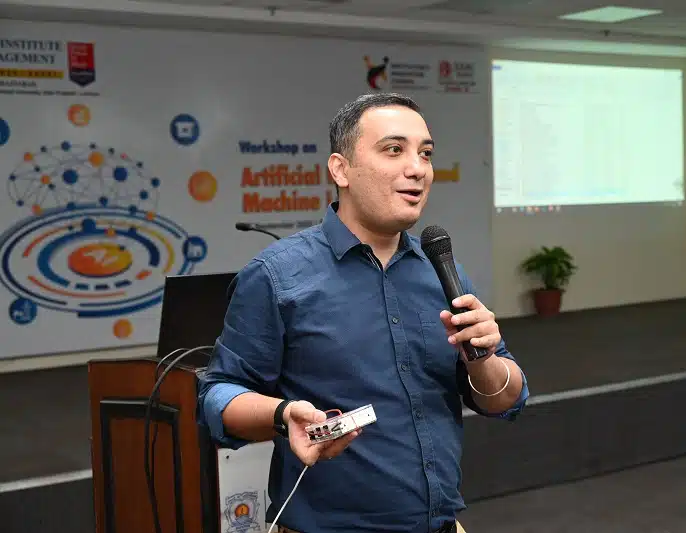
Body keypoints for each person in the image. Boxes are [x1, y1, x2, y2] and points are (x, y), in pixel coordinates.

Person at [197, 92, 530, 533]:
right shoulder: (277, 276)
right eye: (394, 150)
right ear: (341, 170)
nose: (417, 168)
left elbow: (505, 401)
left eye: (425, 153)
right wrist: (282, 414)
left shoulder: (441, 271)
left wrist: (483, 360)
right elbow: (217, 396)